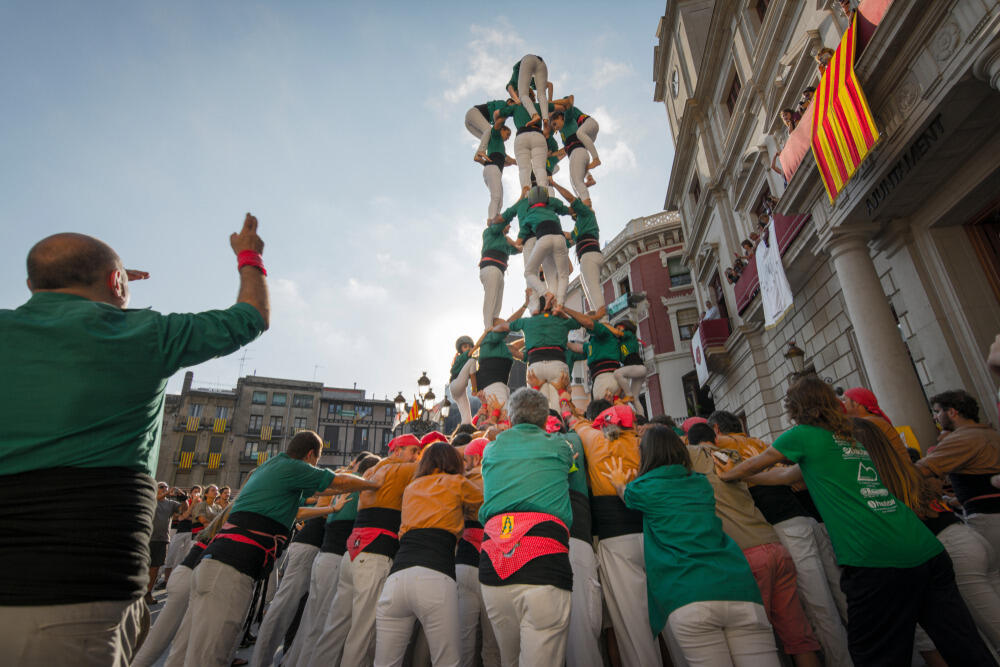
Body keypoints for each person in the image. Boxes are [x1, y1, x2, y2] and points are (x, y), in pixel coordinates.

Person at [0, 213, 270, 665]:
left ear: (31, 284)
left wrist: (108, 292)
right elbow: (249, 317)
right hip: (76, 586)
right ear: (119, 284)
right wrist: (250, 254)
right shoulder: (147, 335)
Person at [720, 375, 996, 666]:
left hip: (875, 558)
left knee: (873, 654)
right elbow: (785, 476)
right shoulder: (845, 439)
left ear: (796, 407)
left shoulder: (802, 435)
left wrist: (727, 474)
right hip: (925, 549)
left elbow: (760, 461)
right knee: (964, 646)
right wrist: (747, 478)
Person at [164, 431, 379, 667]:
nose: (316, 466)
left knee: (183, 652)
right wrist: (372, 483)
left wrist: (331, 507)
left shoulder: (274, 468)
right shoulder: (292, 467)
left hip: (216, 564)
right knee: (211, 656)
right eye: (316, 461)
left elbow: (320, 492)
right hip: (230, 571)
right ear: (310, 455)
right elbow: (335, 482)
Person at [603, 425, 780, 666]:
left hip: (689, 594)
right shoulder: (701, 484)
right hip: (739, 589)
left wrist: (619, 483)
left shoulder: (643, 489)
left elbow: (629, 496)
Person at [708, 411, 851, 667]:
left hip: (785, 528)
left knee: (819, 607)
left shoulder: (721, 445)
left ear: (716, 429)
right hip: (806, 520)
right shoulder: (758, 442)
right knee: (840, 593)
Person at [853, 417, 1000, 655]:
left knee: (983, 633)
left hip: (951, 547)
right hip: (964, 533)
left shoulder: (877, 483)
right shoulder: (908, 472)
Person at [686, 424, 822, 666]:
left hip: (747, 555)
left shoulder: (691, 456)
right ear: (715, 438)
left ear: (690, 440)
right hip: (774, 545)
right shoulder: (733, 457)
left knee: (758, 642)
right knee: (799, 638)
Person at [478, 388, 575, 667]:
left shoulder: (492, 449)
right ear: (545, 420)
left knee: (509, 661)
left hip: (494, 564)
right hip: (542, 561)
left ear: (511, 417)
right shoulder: (558, 445)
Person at [562, 401, 663, 667]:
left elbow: (572, 421)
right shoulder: (644, 444)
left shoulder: (593, 439)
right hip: (654, 534)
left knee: (634, 625)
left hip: (615, 539)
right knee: (673, 616)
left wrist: (565, 401)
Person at [373, 442, 484, 666]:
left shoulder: (411, 487)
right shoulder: (457, 482)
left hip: (396, 579)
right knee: (447, 661)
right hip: (435, 575)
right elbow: (486, 501)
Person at [281, 454, 381, 667]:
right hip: (335, 558)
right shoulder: (358, 487)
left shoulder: (344, 484)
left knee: (312, 620)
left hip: (325, 557)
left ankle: (295, 661)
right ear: (369, 471)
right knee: (322, 622)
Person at [332, 433, 423, 667]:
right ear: (398, 450)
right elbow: (438, 469)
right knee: (363, 633)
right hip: (375, 554)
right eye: (414, 451)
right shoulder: (403, 470)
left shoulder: (371, 471)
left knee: (335, 629)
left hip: (351, 552)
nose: (417, 456)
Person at [132, 505, 234, 667]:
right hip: (187, 578)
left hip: (187, 576)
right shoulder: (228, 526)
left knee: (178, 643)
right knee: (158, 641)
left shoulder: (221, 525)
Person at [549, 411, 603, 667]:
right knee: (583, 626)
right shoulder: (575, 437)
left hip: (553, 535)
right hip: (577, 532)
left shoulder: (560, 441)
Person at [917, 390, 1000, 551]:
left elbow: (921, 470)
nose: (936, 417)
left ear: (952, 412)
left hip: (988, 518)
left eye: (937, 411)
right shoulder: (991, 433)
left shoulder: (963, 438)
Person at [492, 304, 580, 410]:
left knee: (538, 408)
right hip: (557, 364)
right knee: (559, 407)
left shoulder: (527, 321)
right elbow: (578, 323)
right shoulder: (561, 321)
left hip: (536, 365)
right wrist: (562, 313)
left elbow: (502, 327)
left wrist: (491, 330)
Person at [550, 180, 604, 316]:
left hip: (589, 256)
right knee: (590, 293)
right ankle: (598, 320)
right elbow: (569, 236)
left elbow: (570, 198)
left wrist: (554, 183)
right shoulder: (580, 225)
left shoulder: (586, 213)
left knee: (593, 290)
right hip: (589, 256)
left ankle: (604, 321)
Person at [841, 386, 909, 463]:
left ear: (856, 402)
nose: (843, 404)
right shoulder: (874, 420)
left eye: (844, 400)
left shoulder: (867, 423)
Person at [478, 220, 521, 329]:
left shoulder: (505, 242)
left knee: (497, 304)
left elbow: (518, 249)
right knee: (490, 299)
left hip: (500, 272)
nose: (510, 226)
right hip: (491, 268)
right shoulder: (490, 232)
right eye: (507, 223)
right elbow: (495, 226)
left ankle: (493, 325)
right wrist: (511, 241)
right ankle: (488, 328)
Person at [147, 482, 184, 605]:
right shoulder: (151, 498)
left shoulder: (170, 503)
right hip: (147, 538)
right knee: (143, 566)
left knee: (155, 567)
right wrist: (167, 493)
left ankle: (147, 593)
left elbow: (184, 510)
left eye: (166, 487)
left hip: (162, 539)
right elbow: (154, 500)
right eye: (161, 487)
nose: (164, 489)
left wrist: (183, 498)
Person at [477, 123, 516, 221]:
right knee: (496, 196)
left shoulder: (501, 147)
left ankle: (496, 217)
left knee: (500, 199)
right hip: (492, 168)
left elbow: (510, 160)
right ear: (501, 130)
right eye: (507, 134)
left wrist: (523, 162)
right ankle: (491, 219)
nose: (508, 138)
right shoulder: (495, 136)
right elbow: (496, 127)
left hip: (495, 171)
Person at [163, 485, 201, 585]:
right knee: (171, 555)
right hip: (180, 531)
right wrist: (189, 512)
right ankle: (165, 579)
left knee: (182, 558)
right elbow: (179, 516)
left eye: (198, 491)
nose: (196, 493)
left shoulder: (201, 504)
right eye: (195, 491)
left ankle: (174, 580)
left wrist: (188, 516)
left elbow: (194, 517)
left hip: (192, 533)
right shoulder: (186, 502)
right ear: (191, 492)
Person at [507, 55, 552, 131]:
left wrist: (517, 101)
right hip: (541, 63)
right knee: (541, 94)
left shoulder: (515, 81)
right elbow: (550, 85)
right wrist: (550, 101)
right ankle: (546, 120)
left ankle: (535, 115)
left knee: (523, 95)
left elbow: (509, 88)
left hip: (527, 60)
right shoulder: (530, 81)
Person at [612, 321, 647, 417]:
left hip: (638, 367)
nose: (617, 331)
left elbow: (619, 334)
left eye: (619, 328)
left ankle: (628, 394)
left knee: (617, 374)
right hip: (638, 369)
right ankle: (642, 419)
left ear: (625, 328)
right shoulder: (620, 344)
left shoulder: (630, 334)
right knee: (635, 399)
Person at [449, 336, 477, 424]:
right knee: (472, 361)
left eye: (469, 346)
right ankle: (474, 389)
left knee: (467, 419)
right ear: (460, 349)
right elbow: (472, 353)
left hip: (459, 391)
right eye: (465, 347)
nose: (468, 349)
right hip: (456, 384)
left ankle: (464, 433)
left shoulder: (463, 361)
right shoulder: (460, 357)